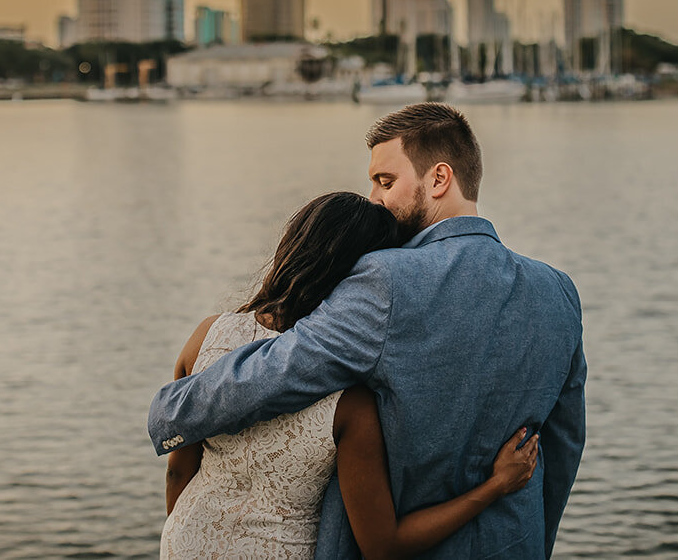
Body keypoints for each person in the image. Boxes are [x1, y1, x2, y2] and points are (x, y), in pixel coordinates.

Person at [151, 103, 586, 559]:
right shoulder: (558, 290)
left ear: (439, 179)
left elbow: (283, 368)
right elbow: (563, 445)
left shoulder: (384, 279)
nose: (375, 199)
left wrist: (173, 409)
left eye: (385, 181)